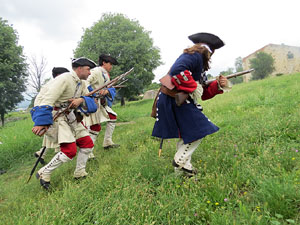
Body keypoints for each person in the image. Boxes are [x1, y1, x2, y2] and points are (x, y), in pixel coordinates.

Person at [152, 32, 231, 177]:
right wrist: (193, 86)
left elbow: (202, 92)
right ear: (208, 51)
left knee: (187, 134)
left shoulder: (198, 63)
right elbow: (178, 71)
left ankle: (182, 172)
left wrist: (218, 85)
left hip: (175, 100)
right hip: (173, 99)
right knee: (198, 130)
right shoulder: (194, 56)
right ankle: (179, 161)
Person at [31, 57, 97, 190]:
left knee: (87, 143)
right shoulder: (65, 78)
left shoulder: (82, 84)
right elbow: (47, 99)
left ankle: (80, 172)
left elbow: (88, 99)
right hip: (57, 117)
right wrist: (41, 122)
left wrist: (80, 100)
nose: (90, 73)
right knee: (70, 151)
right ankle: (45, 173)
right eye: (88, 69)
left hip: (70, 116)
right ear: (79, 68)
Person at [83, 54, 119, 159]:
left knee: (112, 116)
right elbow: (85, 82)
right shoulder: (95, 72)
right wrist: (93, 94)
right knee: (95, 127)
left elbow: (109, 87)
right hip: (93, 102)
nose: (111, 66)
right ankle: (88, 153)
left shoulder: (106, 75)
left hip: (101, 102)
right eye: (110, 63)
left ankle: (107, 142)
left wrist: (107, 91)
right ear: (104, 63)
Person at [34, 67, 70, 165]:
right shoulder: (50, 86)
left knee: (52, 137)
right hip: (53, 115)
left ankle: (41, 153)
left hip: (59, 114)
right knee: (57, 137)